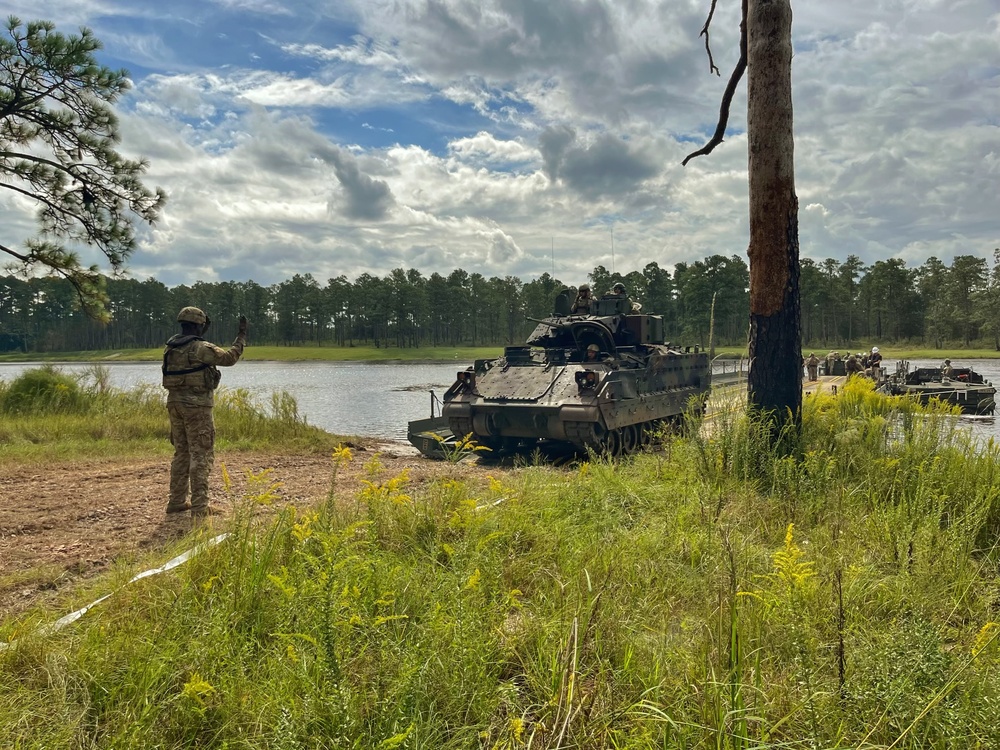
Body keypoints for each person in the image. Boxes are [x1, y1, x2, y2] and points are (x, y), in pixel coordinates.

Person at [162, 307, 248, 518]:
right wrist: (241, 338)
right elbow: (229, 358)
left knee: (181, 454)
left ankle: (177, 501)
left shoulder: (171, 348)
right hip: (197, 407)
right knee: (201, 454)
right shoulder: (201, 348)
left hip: (174, 404)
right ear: (198, 326)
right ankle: (200, 507)